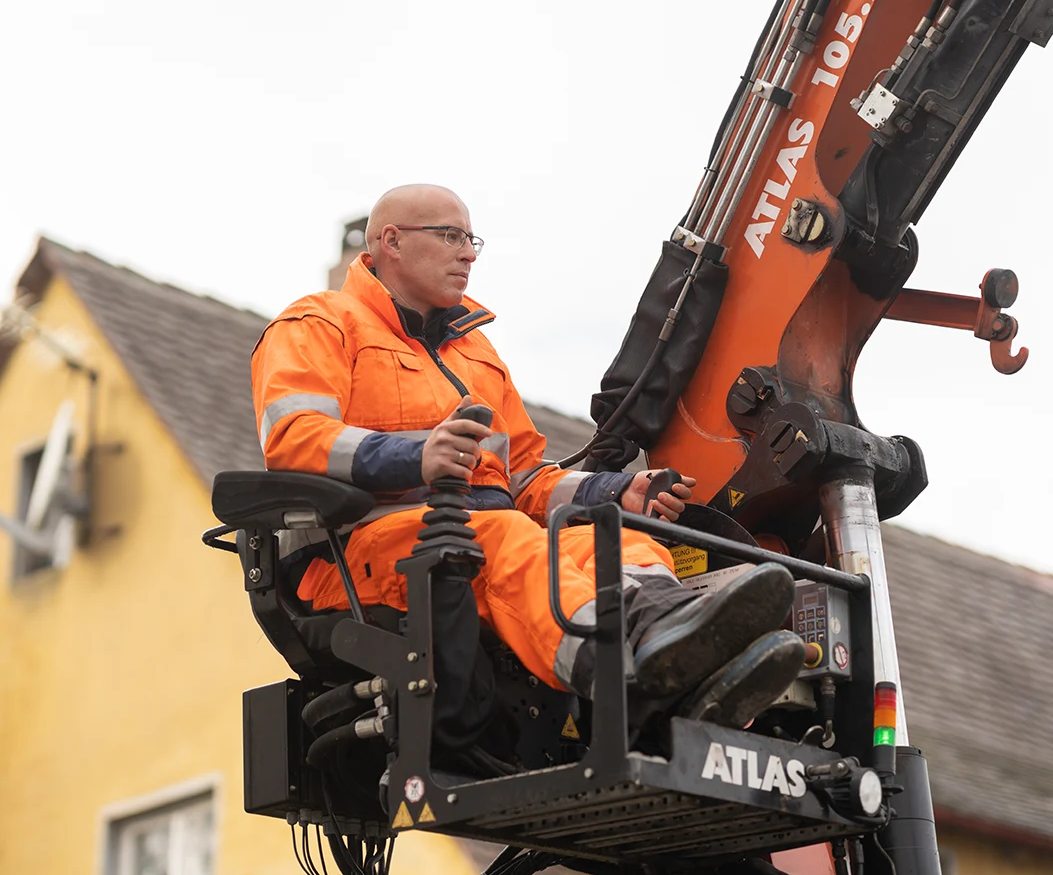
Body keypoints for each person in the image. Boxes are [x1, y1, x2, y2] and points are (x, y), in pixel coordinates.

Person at [251, 184, 803, 725]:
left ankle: (681, 654)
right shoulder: (320, 323)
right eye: (450, 236)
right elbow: (294, 439)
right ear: (391, 241)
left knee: (613, 541)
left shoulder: (477, 355)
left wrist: (618, 491)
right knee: (507, 539)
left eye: (473, 240)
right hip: (351, 557)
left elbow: (525, 481)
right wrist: (418, 456)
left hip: (468, 536)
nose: (468, 252)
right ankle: (623, 684)